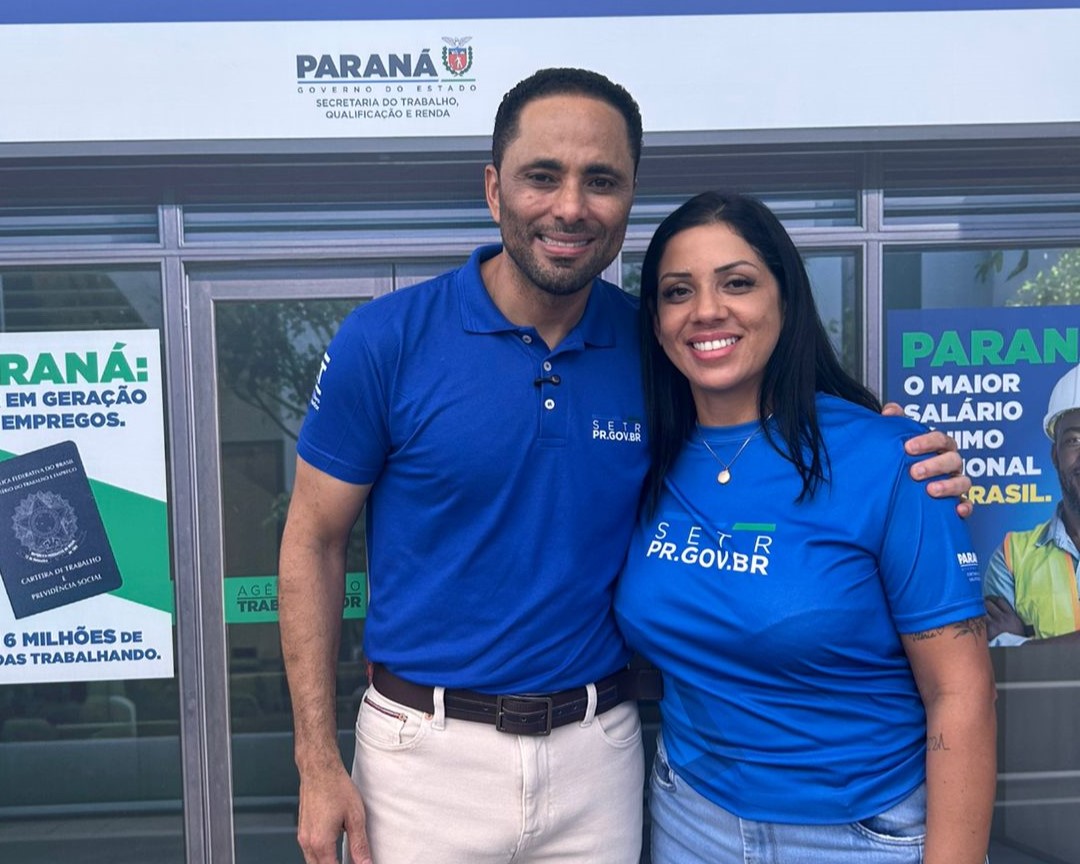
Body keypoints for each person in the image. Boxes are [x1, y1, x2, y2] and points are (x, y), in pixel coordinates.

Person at [277, 70, 971, 864]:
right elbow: (313, 540)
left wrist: (894, 450)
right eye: (543, 176)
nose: (571, 206)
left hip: (599, 755)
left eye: (601, 181)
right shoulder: (387, 340)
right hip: (423, 756)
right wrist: (315, 759)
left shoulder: (656, 347)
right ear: (495, 189)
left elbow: (761, 411)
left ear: (629, 197)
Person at [615, 192, 996, 864]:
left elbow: (959, 693)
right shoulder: (644, 455)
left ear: (786, 299)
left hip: (861, 835)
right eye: (678, 291)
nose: (707, 310)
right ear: (657, 321)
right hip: (689, 818)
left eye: (737, 282)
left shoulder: (891, 460)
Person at [984, 363, 1080, 646]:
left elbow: (1014, 655)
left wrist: (1025, 645)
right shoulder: (1011, 557)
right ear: (1055, 455)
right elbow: (997, 662)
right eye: (1074, 440)